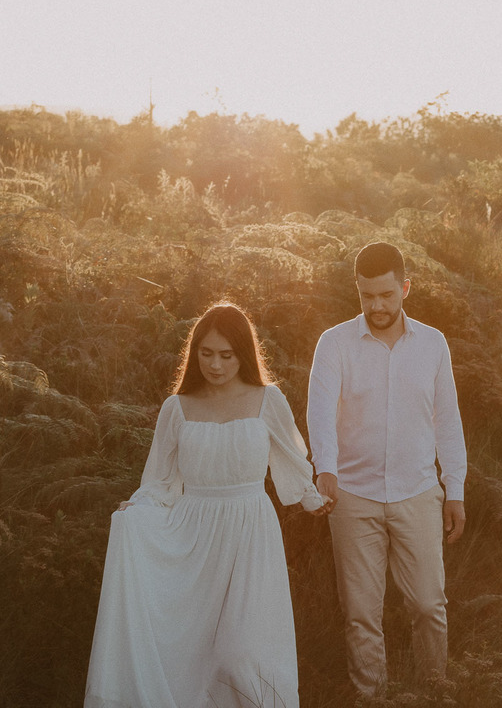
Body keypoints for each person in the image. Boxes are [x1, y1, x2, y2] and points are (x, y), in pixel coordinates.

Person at [84, 302, 332, 708]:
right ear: (194, 352)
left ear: (244, 354)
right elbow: (160, 480)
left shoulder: (268, 400)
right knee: (190, 651)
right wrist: (139, 509)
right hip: (191, 534)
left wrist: (310, 498)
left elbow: (292, 459)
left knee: (242, 652)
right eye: (206, 353)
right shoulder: (176, 408)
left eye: (226, 355)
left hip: (250, 530)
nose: (215, 365)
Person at [307, 241, 467, 698]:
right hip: (351, 496)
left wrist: (453, 488)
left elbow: (447, 418)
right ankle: (371, 697)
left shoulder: (433, 344)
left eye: (386, 295)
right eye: (366, 296)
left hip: (418, 492)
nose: (376, 305)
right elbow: (320, 410)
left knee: (429, 606)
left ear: (405, 289)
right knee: (360, 612)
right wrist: (326, 469)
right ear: (357, 291)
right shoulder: (334, 343)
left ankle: (433, 691)